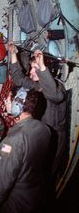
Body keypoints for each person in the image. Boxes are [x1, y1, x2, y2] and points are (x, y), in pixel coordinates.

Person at [8, 42, 67, 182]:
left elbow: (55, 96)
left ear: (46, 69)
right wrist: (13, 54)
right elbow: (18, 79)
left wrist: (42, 67)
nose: (31, 71)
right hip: (39, 134)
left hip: (54, 138)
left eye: (35, 68)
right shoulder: (37, 85)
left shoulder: (57, 87)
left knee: (45, 177)